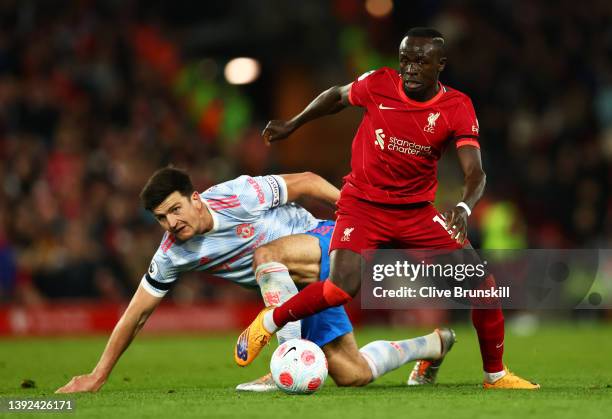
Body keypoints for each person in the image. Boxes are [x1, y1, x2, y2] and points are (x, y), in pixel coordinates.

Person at [235, 27, 539, 389]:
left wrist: (463, 206)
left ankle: (495, 375)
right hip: (363, 205)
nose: (409, 69)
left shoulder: (456, 107)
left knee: (483, 286)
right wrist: (294, 123)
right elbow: (336, 96)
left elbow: (476, 172)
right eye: (405, 60)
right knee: (339, 288)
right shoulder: (379, 83)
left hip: (417, 212)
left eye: (420, 62)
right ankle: (267, 324)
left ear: (440, 65)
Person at [56, 167, 455, 394]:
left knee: (265, 254)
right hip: (301, 289)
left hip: (328, 243)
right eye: (161, 217)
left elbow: (309, 181)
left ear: (195, 199)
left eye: (175, 209)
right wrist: (99, 374)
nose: (171, 223)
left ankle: (282, 361)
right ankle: (434, 345)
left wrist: (360, 218)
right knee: (352, 374)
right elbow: (136, 314)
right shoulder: (172, 253)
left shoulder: (237, 196)